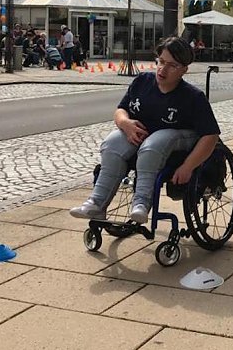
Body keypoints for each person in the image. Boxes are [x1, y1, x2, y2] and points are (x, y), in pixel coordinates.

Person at [69, 37, 220, 224]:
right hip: (144, 139)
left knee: (156, 142)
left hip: (180, 141)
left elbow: (211, 135)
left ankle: (141, 203)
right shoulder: (143, 82)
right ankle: (96, 203)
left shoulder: (193, 97)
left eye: (171, 65)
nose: (163, 69)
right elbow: (121, 109)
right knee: (112, 143)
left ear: (184, 70)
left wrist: (188, 166)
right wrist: (125, 123)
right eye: (161, 61)